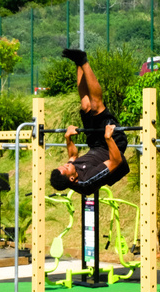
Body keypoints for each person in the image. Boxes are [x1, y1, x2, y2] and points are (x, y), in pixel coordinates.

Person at [50, 49, 130, 195]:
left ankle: (78, 62)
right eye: (67, 168)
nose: (67, 165)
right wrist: (108, 138)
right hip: (113, 146)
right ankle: (84, 61)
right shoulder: (87, 180)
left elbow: (73, 157)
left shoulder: (69, 172)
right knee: (96, 106)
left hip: (96, 144)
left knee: (86, 106)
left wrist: (68, 139)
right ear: (73, 178)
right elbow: (116, 161)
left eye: (63, 166)